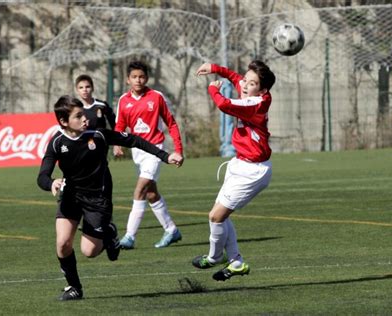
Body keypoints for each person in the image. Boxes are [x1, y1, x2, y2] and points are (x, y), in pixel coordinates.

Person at [37, 95, 183, 301]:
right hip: (71, 196)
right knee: (62, 244)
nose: (85, 119)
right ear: (63, 122)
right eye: (78, 116)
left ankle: (109, 232)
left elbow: (134, 139)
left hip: (98, 199)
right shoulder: (57, 143)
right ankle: (74, 287)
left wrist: (165, 156)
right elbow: (42, 176)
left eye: (84, 114)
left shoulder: (98, 135)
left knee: (89, 251)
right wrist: (51, 183)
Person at [191, 60, 275, 281]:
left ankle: (214, 257)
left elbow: (224, 105)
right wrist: (216, 68)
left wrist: (212, 89)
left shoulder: (257, 103)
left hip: (254, 171)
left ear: (263, 89)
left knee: (215, 216)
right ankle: (236, 261)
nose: (245, 85)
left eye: (252, 83)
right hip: (239, 163)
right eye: (246, 80)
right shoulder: (249, 89)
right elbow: (235, 78)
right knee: (221, 216)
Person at [113, 61, 184, 249]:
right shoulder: (123, 101)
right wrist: (117, 145)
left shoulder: (156, 97)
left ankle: (129, 236)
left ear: (147, 78)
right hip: (138, 152)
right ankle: (171, 230)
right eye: (134, 77)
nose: (138, 80)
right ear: (128, 80)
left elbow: (172, 123)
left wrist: (178, 150)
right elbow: (120, 126)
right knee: (152, 193)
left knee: (140, 190)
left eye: (142, 76)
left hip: (155, 150)